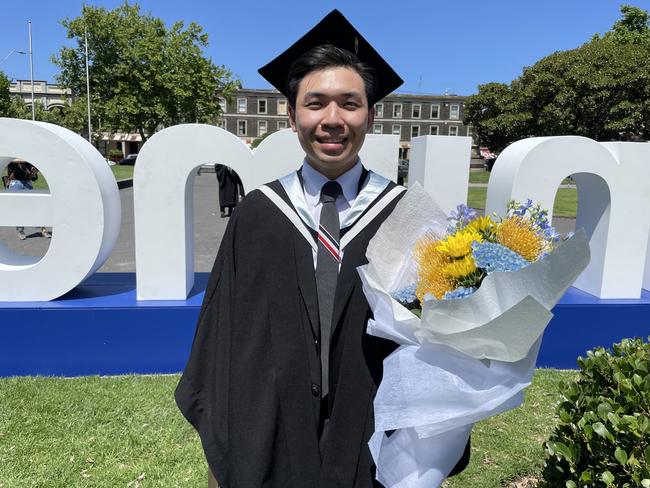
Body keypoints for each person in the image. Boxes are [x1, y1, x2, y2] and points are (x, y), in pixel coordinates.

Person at [176, 10, 469, 487]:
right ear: (292, 116)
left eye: (349, 104)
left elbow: (440, 341)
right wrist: (225, 446)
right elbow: (222, 339)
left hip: (374, 439)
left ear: (371, 115)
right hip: (268, 440)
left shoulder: (406, 215)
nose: (332, 120)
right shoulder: (258, 213)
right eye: (316, 104)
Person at [5, 159, 51, 240]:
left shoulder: (29, 159)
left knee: (35, 207)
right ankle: (20, 231)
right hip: (15, 183)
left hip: (27, 183)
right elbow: (16, 162)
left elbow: (33, 177)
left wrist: (34, 171)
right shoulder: (14, 156)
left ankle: (43, 230)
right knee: (19, 208)